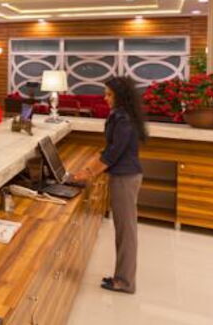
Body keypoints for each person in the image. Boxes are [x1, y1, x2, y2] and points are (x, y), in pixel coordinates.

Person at [70, 76, 145, 294]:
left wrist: (88, 173)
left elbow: (113, 153)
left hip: (125, 178)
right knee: (124, 229)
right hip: (124, 176)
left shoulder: (124, 119)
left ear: (121, 96)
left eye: (109, 94)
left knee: (126, 231)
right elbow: (110, 149)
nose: (105, 98)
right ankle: (122, 277)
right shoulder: (120, 115)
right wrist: (89, 168)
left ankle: (125, 281)